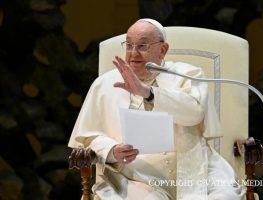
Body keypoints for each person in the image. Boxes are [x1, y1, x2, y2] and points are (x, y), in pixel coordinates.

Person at [68, 18, 245, 200]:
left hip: (195, 166)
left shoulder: (187, 74)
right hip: (135, 176)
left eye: (142, 46)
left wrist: (148, 93)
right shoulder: (104, 84)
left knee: (225, 196)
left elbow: (194, 114)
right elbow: (88, 138)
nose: (133, 53)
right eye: (129, 45)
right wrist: (112, 151)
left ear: (162, 50)